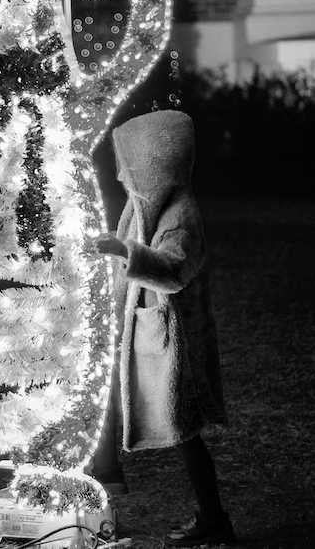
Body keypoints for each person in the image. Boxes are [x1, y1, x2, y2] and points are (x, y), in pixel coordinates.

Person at [91, 109, 234, 546]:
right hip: (141, 334)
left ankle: (214, 520)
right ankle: (105, 479)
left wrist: (124, 252)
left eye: (124, 163)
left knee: (185, 431)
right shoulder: (138, 208)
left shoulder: (180, 214)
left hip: (173, 346)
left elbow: (173, 269)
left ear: (149, 162)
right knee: (108, 407)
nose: (118, 174)